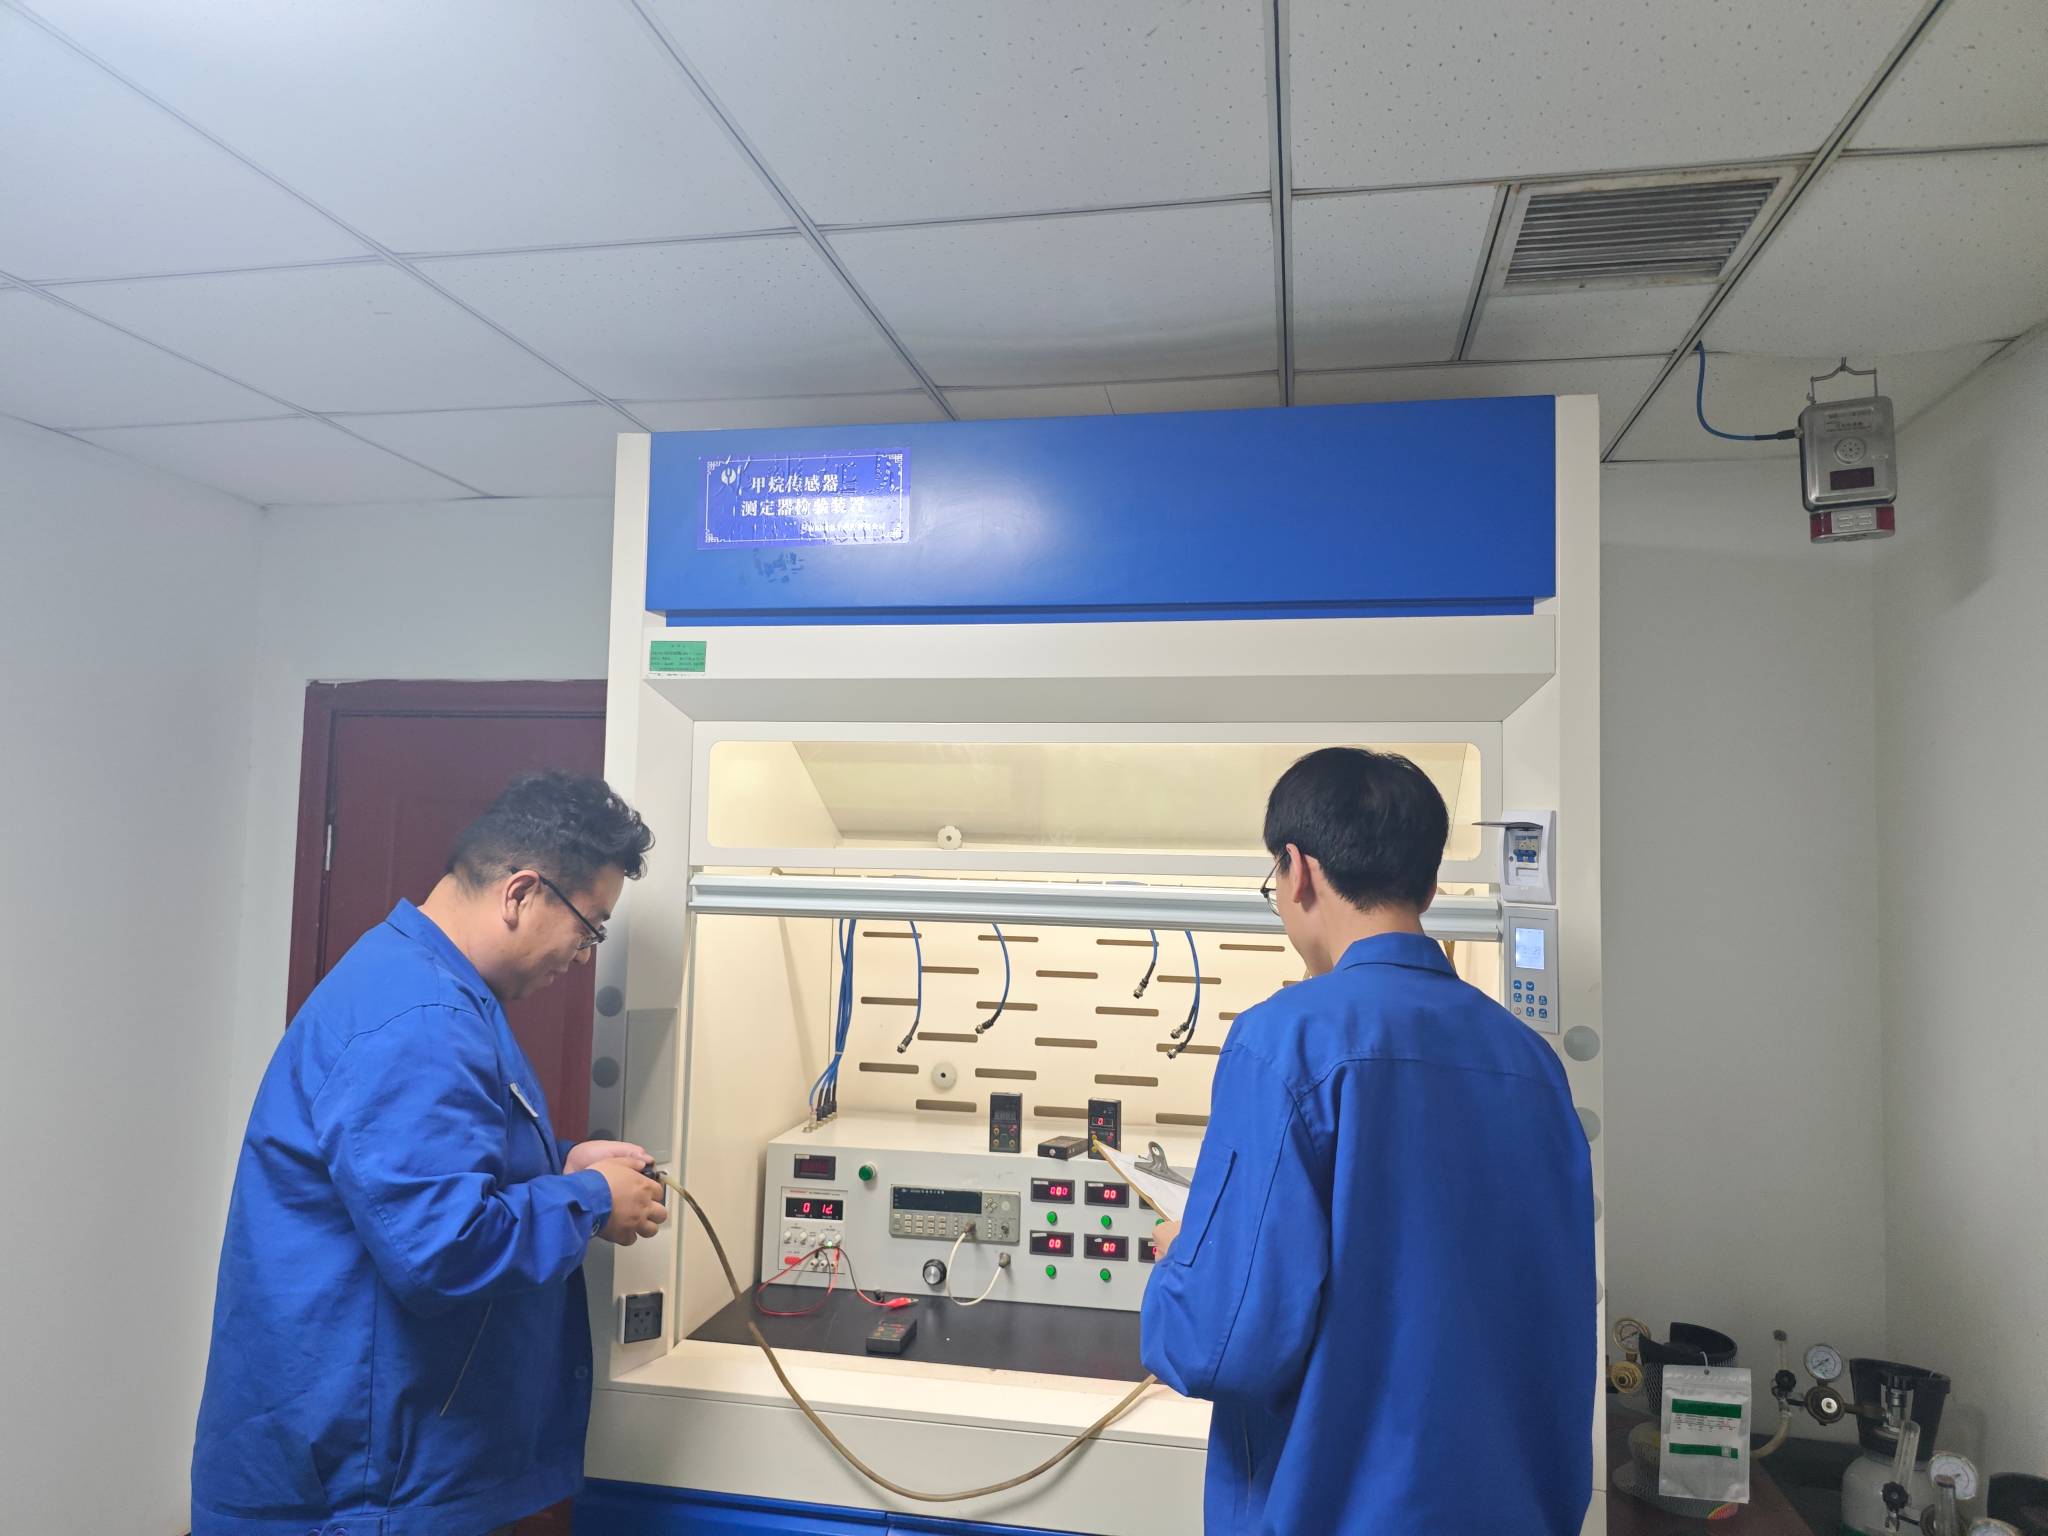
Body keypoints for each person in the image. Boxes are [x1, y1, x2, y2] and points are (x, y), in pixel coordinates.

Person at [191, 771, 668, 1536]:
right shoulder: (421, 1017)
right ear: (522, 893)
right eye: (591, 928)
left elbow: (433, 1171)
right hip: (357, 1486)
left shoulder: (421, 983)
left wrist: (562, 1164)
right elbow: (443, 1248)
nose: (584, 956)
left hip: (375, 1462)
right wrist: (592, 1201)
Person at [1141, 747, 1595, 1532]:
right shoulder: (1530, 1062)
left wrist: (1184, 1259)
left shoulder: (1284, 1043)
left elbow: (1223, 1344)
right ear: (1428, 886)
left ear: (1298, 871)